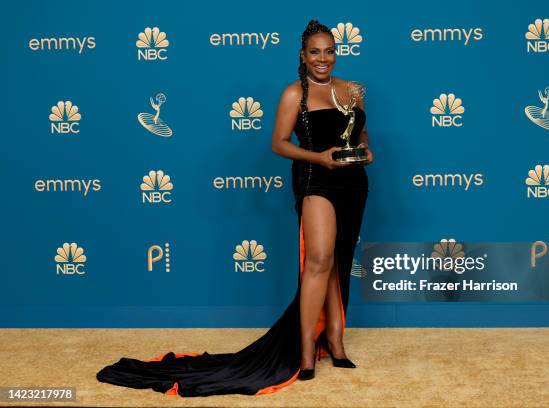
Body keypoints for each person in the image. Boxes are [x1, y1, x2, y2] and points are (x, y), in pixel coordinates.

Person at [95, 19, 373, 397]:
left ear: (336, 53)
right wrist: (318, 158)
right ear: (302, 56)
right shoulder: (296, 94)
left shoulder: (353, 91)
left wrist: (366, 152)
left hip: (353, 182)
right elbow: (278, 143)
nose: (322, 59)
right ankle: (306, 349)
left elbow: (360, 136)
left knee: (338, 260)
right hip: (316, 178)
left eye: (329, 51)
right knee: (318, 259)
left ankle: (336, 342)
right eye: (314, 52)